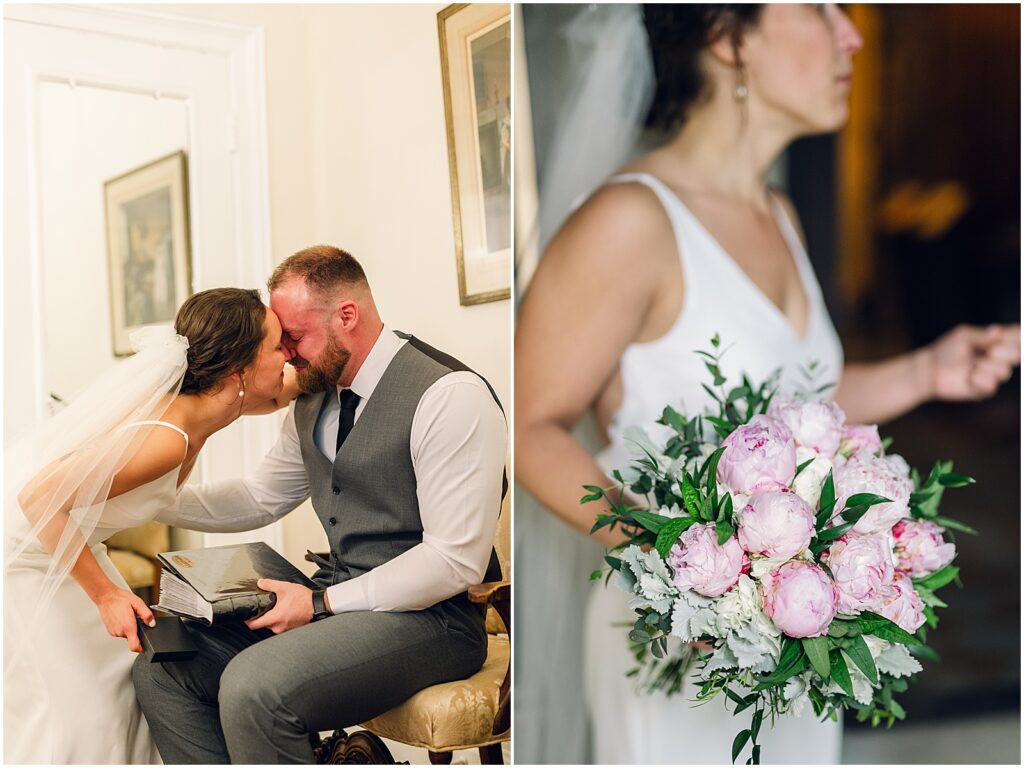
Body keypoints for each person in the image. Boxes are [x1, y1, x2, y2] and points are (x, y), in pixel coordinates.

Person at [514, 4, 1020, 764]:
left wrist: (926, 370)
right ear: (727, 37)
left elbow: (797, 400)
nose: (851, 34)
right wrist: (677, 559)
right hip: (679, 638)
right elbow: (527, 424)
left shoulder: (778, 213)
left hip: (788, 645)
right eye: (819, 8)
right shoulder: (630, 221)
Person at [132, 245, 508, 763]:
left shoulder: (449, 396)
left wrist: (318, 604)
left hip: (436, 621)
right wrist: (149, 501)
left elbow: (454, 562)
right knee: (165, 662)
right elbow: (259, 496)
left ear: (346, 316)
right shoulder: (315, 397)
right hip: (337, 602)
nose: (284, 353)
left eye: (294, 336)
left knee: (253, 686)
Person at [4, 287, 296, 763]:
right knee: (79, 713)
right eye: (279, 344)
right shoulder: (166, 439)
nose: (289, 355)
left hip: (70, 542)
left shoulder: (214, 402)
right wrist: (106, 595)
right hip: (27, 551)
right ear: (238, 371)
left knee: (124, 695)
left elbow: (281, 392)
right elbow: (38, 498)